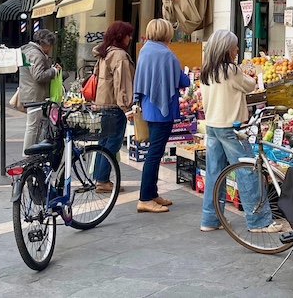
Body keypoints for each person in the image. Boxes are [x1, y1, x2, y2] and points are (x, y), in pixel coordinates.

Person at [198, 30, 281, 233]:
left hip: (213, 126)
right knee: (247, 170)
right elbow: (250, 85)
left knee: (214, 173)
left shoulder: (207, 70)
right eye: (234, 46)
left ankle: (210, 219)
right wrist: (250, 73)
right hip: (231, 128)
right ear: (227, 49)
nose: (237, 50)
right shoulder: (230, 70)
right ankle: (258, 221)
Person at [133, 19, 190, 214]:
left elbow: (139, 80)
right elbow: (184, 81)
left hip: (149, 108)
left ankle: (152, 192)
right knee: (154, 154)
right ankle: (145, 198)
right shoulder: (168, 55)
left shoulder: (145, 51)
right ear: (167, 33)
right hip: (162, 112)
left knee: (153, 152)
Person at [92, 21, 135, 193]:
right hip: (114, 104)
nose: (130, 38)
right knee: (113, 142)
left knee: (103, 141)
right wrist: (127, 108)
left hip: (103, 102)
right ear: (120, 36)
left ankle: (99, 177)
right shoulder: (119, 56)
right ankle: (102, 180)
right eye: (128, 35)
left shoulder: (105, 53)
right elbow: (122, 84)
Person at [18, 29, 60, 155]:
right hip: (34, 95)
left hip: (29, 92)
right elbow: (39, 76)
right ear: (46, 43)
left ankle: (31, 153)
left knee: (34, 125)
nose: (51, 48)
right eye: (50, 45)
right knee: (32, 126)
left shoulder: (27, 50)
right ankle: (28, 155)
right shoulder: (36, 54)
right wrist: (53, 70)